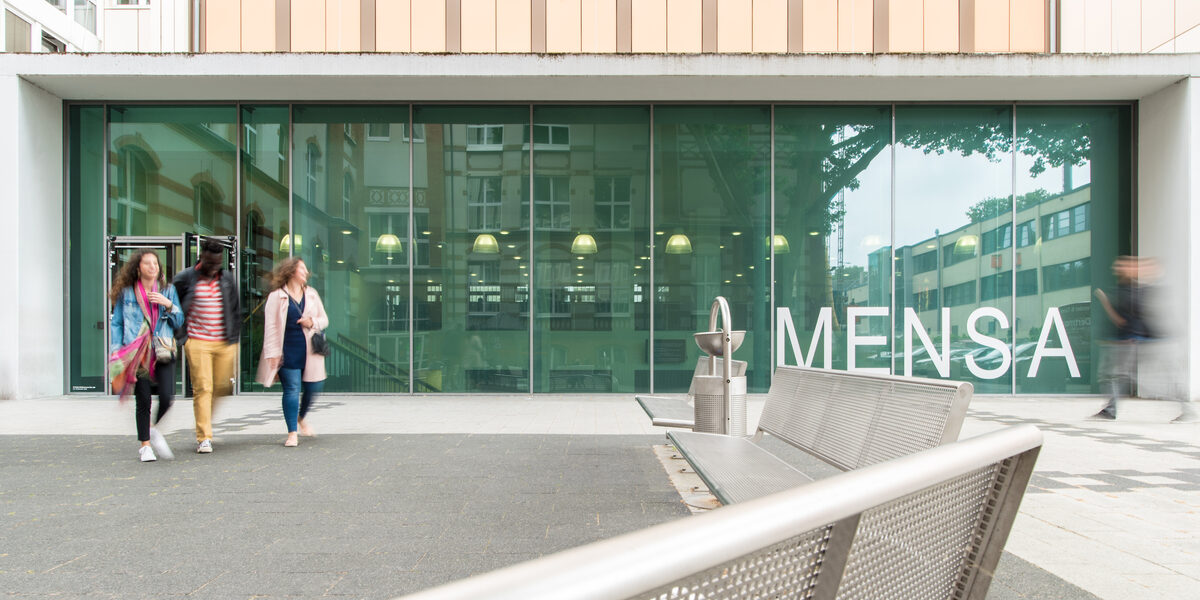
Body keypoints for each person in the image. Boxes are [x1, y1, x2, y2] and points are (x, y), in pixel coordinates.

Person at [109, 251, 183, 462]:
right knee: (143, 399)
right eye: (147, 263)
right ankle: (145, 446)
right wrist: (116, 348)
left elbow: (179, 321)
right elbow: (117, 322)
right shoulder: (127, 293)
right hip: (138, 352)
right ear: (138, 267)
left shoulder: (168, 290)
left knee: (168, 397)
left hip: (162, 348)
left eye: (155, 263)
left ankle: (152, 429)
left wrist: (168, 304)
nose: (153, 267)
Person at [173, 238, 241, 454]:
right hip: (197, 341)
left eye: (217, 264)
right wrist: (182, 336)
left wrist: (235, 338)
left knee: (222, 387)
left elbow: (236, 309)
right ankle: (204, 437)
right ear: (201, 257)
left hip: (224, 342)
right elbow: (172, 305)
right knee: (203, 388)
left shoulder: (227, 278)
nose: (214, 268)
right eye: (210, 263)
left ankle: (205, 421)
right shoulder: (185, 278)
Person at [256, 258, 328, 447]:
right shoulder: (276, 296)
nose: (306, 272)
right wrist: (272, 353)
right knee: (292, 389)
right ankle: (292, 433)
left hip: (310, 351)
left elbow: (324, 319)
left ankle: (300, 417)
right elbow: (270, 327)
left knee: (314, 388)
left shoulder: (312, 294)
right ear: (291, 272)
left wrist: (312, 322)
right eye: (302, 269)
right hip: (287, 349)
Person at [1092, 256, 1155, 420]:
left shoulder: (1128, 292)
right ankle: (1110, 409)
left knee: (1114, 375)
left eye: (1120, 266)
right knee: (1115, 375)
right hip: (1120, 340)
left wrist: (1104, 300)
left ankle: (1111, 410)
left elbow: (1119, 320)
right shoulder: (1126, 289)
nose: (1116, 269)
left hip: (1124, 341)